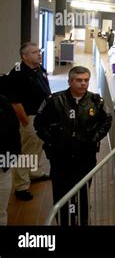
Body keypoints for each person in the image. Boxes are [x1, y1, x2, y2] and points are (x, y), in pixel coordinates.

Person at [34, 66, 112, 225]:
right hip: (60, 157)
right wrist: (52, 141)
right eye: (79, 80)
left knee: (83, 192)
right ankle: (63, 220)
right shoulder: (55, 100)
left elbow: (107, 120)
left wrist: (96, 137)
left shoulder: (96, 101)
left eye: (86, 80)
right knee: (62, 192)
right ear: (70, 81)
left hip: (86, 156)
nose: (83, 84)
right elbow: (39, 123)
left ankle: (82, 220)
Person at [8, 42, 51, 201]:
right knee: (26, 152)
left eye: (39, 51)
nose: (39, 54)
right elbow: (14, 102)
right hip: (29, 118)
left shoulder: (39, 69)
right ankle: (22, 185)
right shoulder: (17, 73)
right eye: (34, 52)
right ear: (24, 56)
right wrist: (25, 122)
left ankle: (35, 172)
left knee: (37, 146)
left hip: (42, 117)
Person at [0, 75, 21, 225]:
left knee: (1, 206)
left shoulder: (3, 102)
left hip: (3, 161)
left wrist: (12, 156)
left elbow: (13, 130)